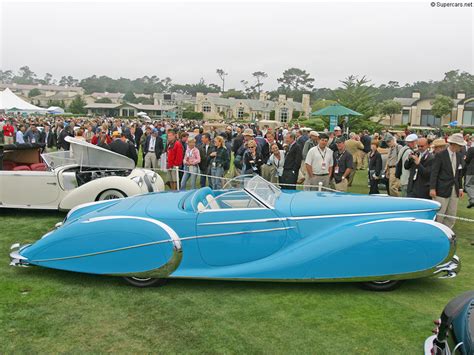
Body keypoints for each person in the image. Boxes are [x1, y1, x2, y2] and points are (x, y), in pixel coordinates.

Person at [430, 133, 466, 229]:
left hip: (455, 190)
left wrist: (461, 188)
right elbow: (434, 173)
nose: (461, 147)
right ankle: (437, 232)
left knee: (452, 214)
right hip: (441, 189)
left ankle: (447, 232)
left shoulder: (459, 156)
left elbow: (459, 173)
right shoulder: (440, 155)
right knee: (440, 214)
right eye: (460, 145)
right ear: (453, 144)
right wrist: (432, 188)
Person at [465, 137, 474, 208]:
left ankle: (472, 199)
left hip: (471, 170)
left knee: (468, 185)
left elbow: (467, 160)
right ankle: (471, 201)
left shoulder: (471, 149)